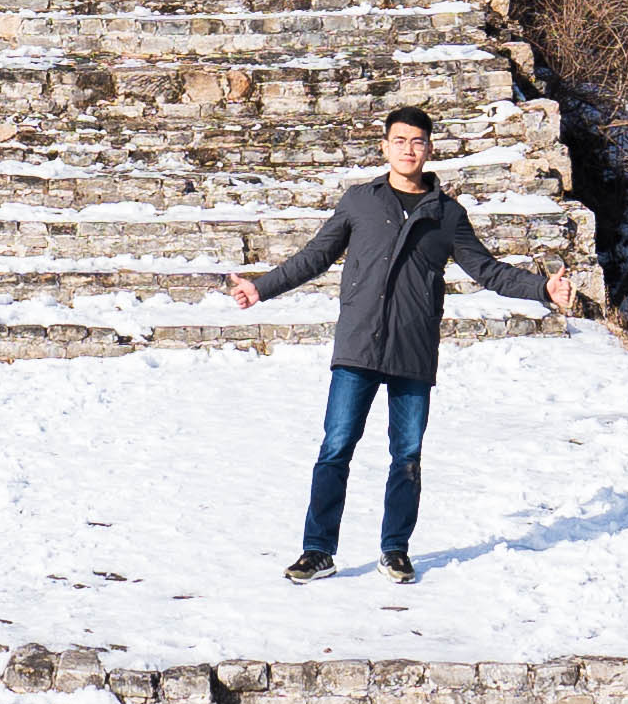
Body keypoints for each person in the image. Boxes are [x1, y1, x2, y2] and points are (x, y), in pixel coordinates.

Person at [231, 103, 583, 583]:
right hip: (358, 345)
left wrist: (543, 288)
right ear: (385, 147)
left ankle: (395, 549)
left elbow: (487, 270)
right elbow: (315, 256)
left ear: (429, 149)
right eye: (399, 141)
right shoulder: (360, 201)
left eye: (417, 141)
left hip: (413, 350)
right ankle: (318, 550)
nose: (408, 149)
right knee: (336, 447)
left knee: (407, 455)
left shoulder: (447, 215)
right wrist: (262, 286)